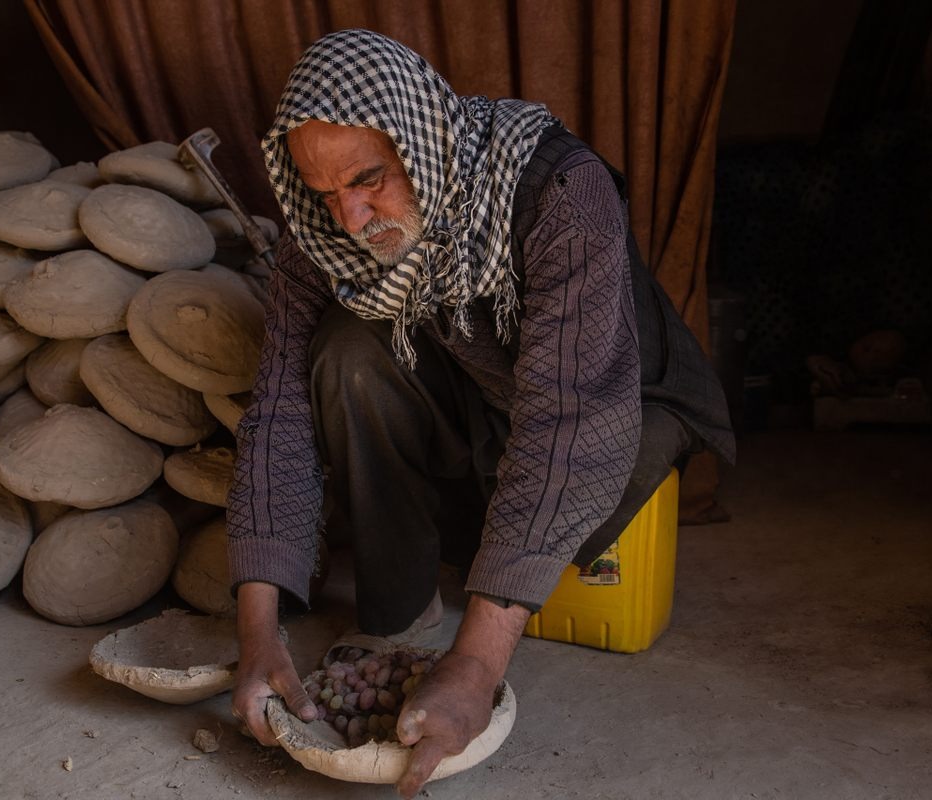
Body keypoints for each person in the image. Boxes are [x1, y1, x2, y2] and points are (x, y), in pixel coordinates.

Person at [226, 29, 735, 797]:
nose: (354, 218)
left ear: (421, 139)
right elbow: (279, 410)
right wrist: (256, 635)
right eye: (327, 194)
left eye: (370, 179)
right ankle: (400, 609)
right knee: (343, 355)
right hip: (475, 396)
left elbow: (570, 424)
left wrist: (473, 666)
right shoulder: (325, 229)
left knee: (612, 458)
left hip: (605, 396)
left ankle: (483, 595)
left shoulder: (563, 192)